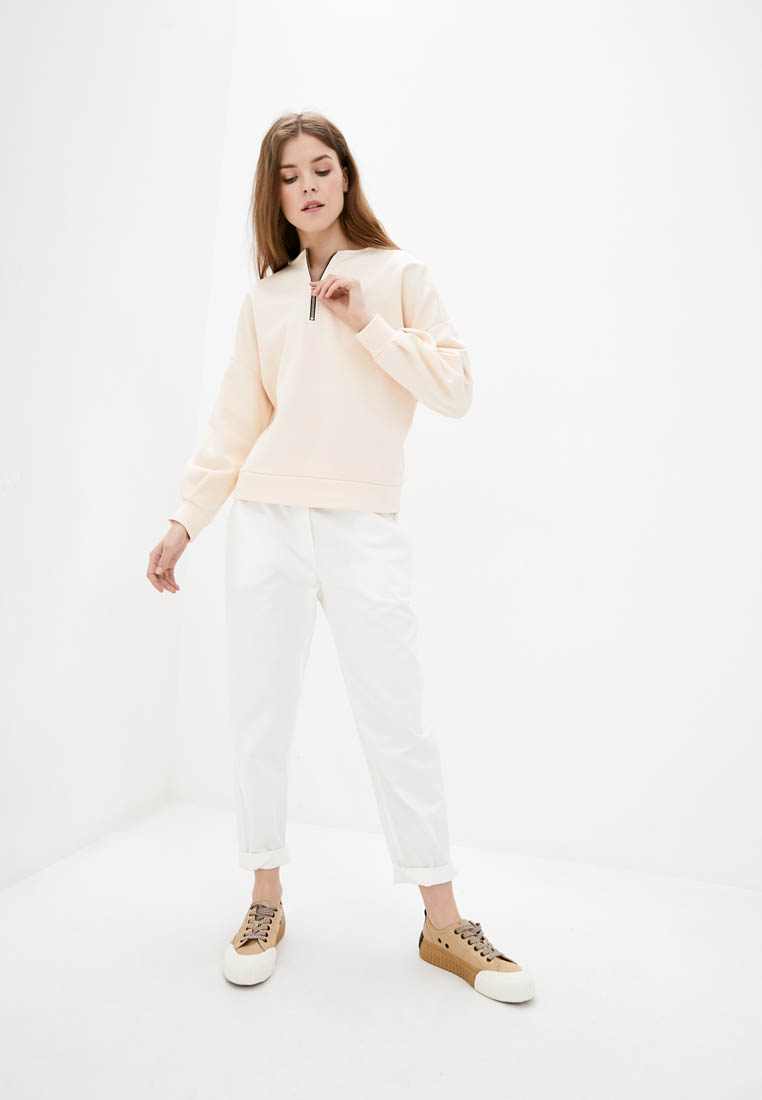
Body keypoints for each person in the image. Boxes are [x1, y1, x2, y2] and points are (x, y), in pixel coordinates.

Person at [146, 111, 535, 1003]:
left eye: (322, 168)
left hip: (363, 522)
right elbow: (235, 423)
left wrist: (368, 325)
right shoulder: (266, 298)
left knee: (398, 719)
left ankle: (443, 921)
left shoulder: (399, 276)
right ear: (275, 195)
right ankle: (265, 899)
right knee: (261, 716)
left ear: (347, 175)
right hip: (268, 519)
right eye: (290, 176)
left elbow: (456, 389)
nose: (309, 187)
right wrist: (184, 521)